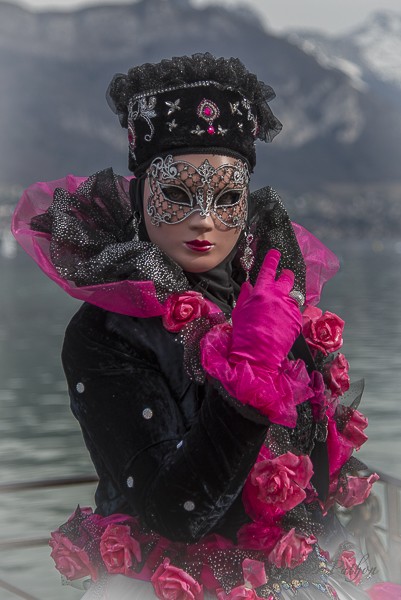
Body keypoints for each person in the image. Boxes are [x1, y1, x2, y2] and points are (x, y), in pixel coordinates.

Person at [11, 53, 398, 600]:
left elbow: (314, 485)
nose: (206, 220)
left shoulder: (271, 304)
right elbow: (178, 513)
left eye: (228, 197)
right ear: (141, 189)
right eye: (177, 193)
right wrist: (252, 373)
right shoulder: (106, 333)